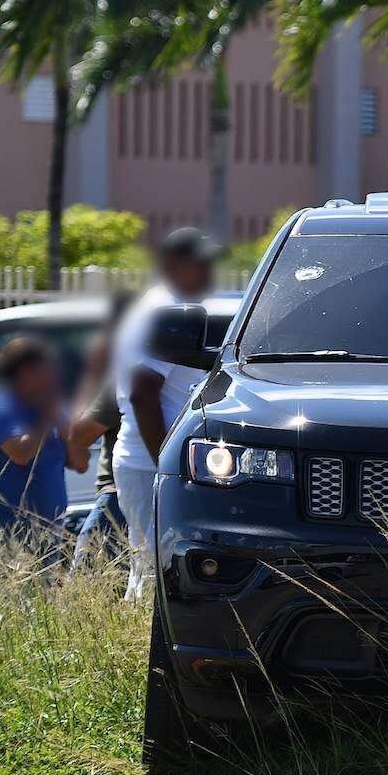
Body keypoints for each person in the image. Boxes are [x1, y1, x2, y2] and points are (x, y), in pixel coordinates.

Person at [113, 227, 219, 598]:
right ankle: (143, 649)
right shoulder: (164, 311)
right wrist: (166, 464)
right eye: (199, 263)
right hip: (149, 462)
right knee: (155, 570)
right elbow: (143, 394)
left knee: (155, 569)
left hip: (154, 461)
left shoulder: (175, 305)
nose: (208, 272)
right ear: (173, 263)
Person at [0, 334, 84, 558]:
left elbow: (79, 463)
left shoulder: (49, 409)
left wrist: (60, 421)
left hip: (46, 532)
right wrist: (47, 415)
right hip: (3, 530)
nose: (55, 375)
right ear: (25, 371)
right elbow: (21, 453)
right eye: (48, 368)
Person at [68, 292, 134, 571]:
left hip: (116, 496)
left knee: (85, 581)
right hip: (146, 490)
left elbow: (80, 435)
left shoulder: (123, 375)